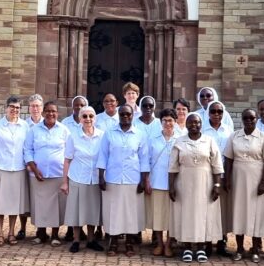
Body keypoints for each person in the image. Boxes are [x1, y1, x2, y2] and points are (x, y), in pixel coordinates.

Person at [169, 112, 224, 263]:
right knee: (186, 213)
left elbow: (217, 165)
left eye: (197, 122)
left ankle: (201, 247)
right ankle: (187, 247)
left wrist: (217, 185)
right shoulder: (179, 142)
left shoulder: (209, 141)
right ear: (186, 125)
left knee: (203, 214)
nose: (194, 125)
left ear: (201, 124)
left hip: (205, 182)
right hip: (184, 182)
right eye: (191, 123)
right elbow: (173, 167)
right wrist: (171, 186)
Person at [224, 108, 264, 262]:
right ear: (242, 119)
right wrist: (227, 179)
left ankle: (255, 249)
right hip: (238, 178)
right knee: (239, 212)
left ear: (256, 119)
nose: (248, 121)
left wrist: (263, 182)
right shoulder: (234, 136)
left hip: (257, 179)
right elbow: (228, 159)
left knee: (256, 213)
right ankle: (239, 249)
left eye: (252, 118)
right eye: (245, 118)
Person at [97, 104, 149, 256]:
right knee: (113, 211)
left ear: (133, 115)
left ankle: (129, 242)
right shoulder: (109, 133)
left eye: (128, 114)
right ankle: (113, 242)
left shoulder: (140, 134)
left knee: (131, 212)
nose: (125, 117)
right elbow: (103, 155)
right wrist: (101, 177)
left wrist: (143, 181)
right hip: (113, 178)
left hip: (133, 179)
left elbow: (144, 159)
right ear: (118, 115)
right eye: (122, 114)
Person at [0, 96, 30, 246]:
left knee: (13, 204)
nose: (15, 110)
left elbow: (27, 148)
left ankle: (11, 232)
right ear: (6, 108)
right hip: (1, 168)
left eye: (17, 108)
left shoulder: (25, 126)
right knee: (0, 203)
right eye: (12, 107)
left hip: (18, 168)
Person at [25, 100, 70, 246]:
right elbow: (28, 150)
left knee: (57, 205)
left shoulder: (64, 130)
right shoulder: (34, 130)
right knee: (40, 204)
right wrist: (33, 168)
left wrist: (67, 174)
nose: (51, 113)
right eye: (48, 111)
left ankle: (55, 235)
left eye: (54, 111)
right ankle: (41, 233)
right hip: (39, 174)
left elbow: (69, 152)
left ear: (58, 113)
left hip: (58, 174)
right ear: (43, 113)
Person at [61, 105, 105, 253]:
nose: (88, 119)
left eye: (91, 116)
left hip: (94, 178)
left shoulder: (102, 135)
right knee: (76, 210)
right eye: (84, 116)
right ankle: (76, 240)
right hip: (77, 177)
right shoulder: (73, 136)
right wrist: (65, 182)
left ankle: (91, 240)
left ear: (95, 118)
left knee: (92, 210)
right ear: (79, 119)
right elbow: (67, 160)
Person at [145, 107, 178, 256]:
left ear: (175, 122)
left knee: (172, 215)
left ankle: (169, 244)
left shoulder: (182, 138)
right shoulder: (153, 139)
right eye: (164, 120)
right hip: (157, 181)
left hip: (175, 183)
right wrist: (146, 180)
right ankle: (159, 243)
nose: (167, 123)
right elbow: (147, 161)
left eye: (170, 120)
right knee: (157, 214)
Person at [203, 99, 234, 257]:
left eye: (219, 112)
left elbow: (230, 155)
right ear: (208, 113)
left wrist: (227, 177)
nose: (216, 114)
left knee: (223, 209)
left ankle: (222, 241)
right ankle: (207, 241)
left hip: (224, 174)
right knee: (209, 207)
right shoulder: (202, 129)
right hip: (207, 174)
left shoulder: (228, 130)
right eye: (213, 111)